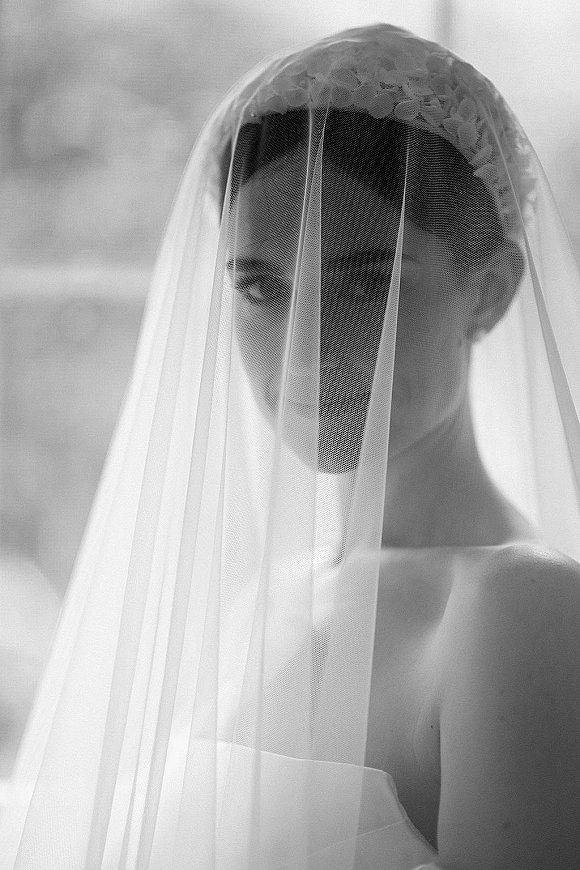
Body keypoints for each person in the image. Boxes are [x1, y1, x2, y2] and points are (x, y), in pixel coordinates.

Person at [2, 21, 580, 870]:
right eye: (261, 289)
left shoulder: (519, 608)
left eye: (366, 282)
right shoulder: (269, 600)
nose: (304, 350)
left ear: (489, 292)